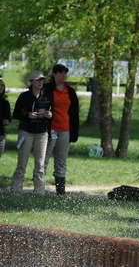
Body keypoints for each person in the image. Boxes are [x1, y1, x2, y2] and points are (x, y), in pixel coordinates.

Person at [10, 72, 52, 193]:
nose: (41, 82)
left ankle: (39, 191)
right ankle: (16, 189)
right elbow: (16, 114)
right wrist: (28, 115)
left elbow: (51, 111)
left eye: (42, 80)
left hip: (42, 133)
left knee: (40, 164)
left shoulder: (47, 96)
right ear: (31, 81)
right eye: (38, 80)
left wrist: (50, 114)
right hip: (26, 132)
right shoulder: (24, 96)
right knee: (22, 162)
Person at [43, 63, 80, 195]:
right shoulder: (46, 89)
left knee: (61, 160)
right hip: (49, 129)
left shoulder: (69, 91)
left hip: (65, 129)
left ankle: (60, 191)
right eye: (60, 73)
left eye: (65, 73)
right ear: (54, 74)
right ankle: (39, 188)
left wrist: (74, 133)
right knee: (44, 159)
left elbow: (75, 113)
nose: (63, 76)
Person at [0, 78, 11, 157]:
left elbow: (8, 120)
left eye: (2, 85)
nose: (0, 87)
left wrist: (6, 121)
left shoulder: (5, 103)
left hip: (1, 134)